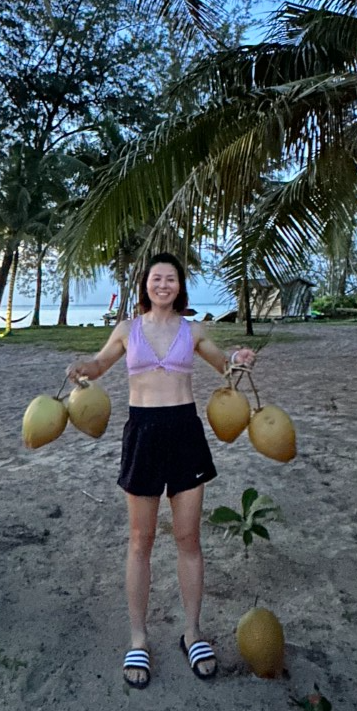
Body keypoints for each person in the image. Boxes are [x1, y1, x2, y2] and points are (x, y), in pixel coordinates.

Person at [67, 252, 256, 688]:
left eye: (171, 279)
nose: (163, 285)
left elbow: (225, 369)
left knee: (189, 539)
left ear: (180, 287)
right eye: (156, 278)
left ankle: (192, 633)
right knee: (140, 540)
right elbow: (99, 366)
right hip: (143, 433)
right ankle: (138, 637)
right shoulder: (126, 329)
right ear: (146, 285)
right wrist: (83, 369)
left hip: (185, 433)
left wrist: (240, 361)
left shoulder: (193, 331)